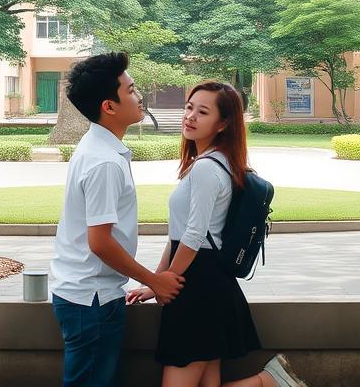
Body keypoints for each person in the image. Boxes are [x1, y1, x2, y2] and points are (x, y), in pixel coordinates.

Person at [126, 81, 306, 387]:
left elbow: (193, 236)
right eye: (189, 107)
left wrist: (164, 281)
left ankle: (266, 381)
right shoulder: (218, 162)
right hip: (206, 283)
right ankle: (267, 380)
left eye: (202, 111)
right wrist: (155, 281)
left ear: (223, 123)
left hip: (196, 287)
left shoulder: (206, 168)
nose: (190, 116)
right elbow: (179, 234)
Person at [50, 51, 185, 387]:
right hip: (92, 301)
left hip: (85, 296)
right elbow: (100, 242)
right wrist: (154, 280)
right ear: (108, 106)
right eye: (131, 90)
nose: (139, 97)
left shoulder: (98, 148)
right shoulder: (104, 162)